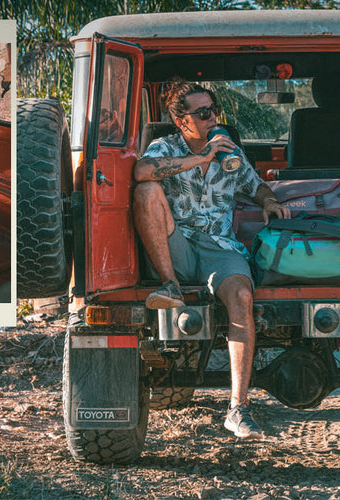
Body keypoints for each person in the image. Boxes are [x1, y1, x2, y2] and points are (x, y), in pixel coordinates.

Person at [132, 82, 290, 439]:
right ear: (179, 118)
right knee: (147, 191)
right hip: (178, 246)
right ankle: (170, 285)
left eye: (213, 111)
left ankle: (238, 407)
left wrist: (267, 200)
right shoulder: (166, 147)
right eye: (202, 114)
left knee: (242, 297)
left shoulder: (229, 153)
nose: (211, 119)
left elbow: (256, 184)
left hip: (220, 246)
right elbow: (141, 172)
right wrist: (202, 156)